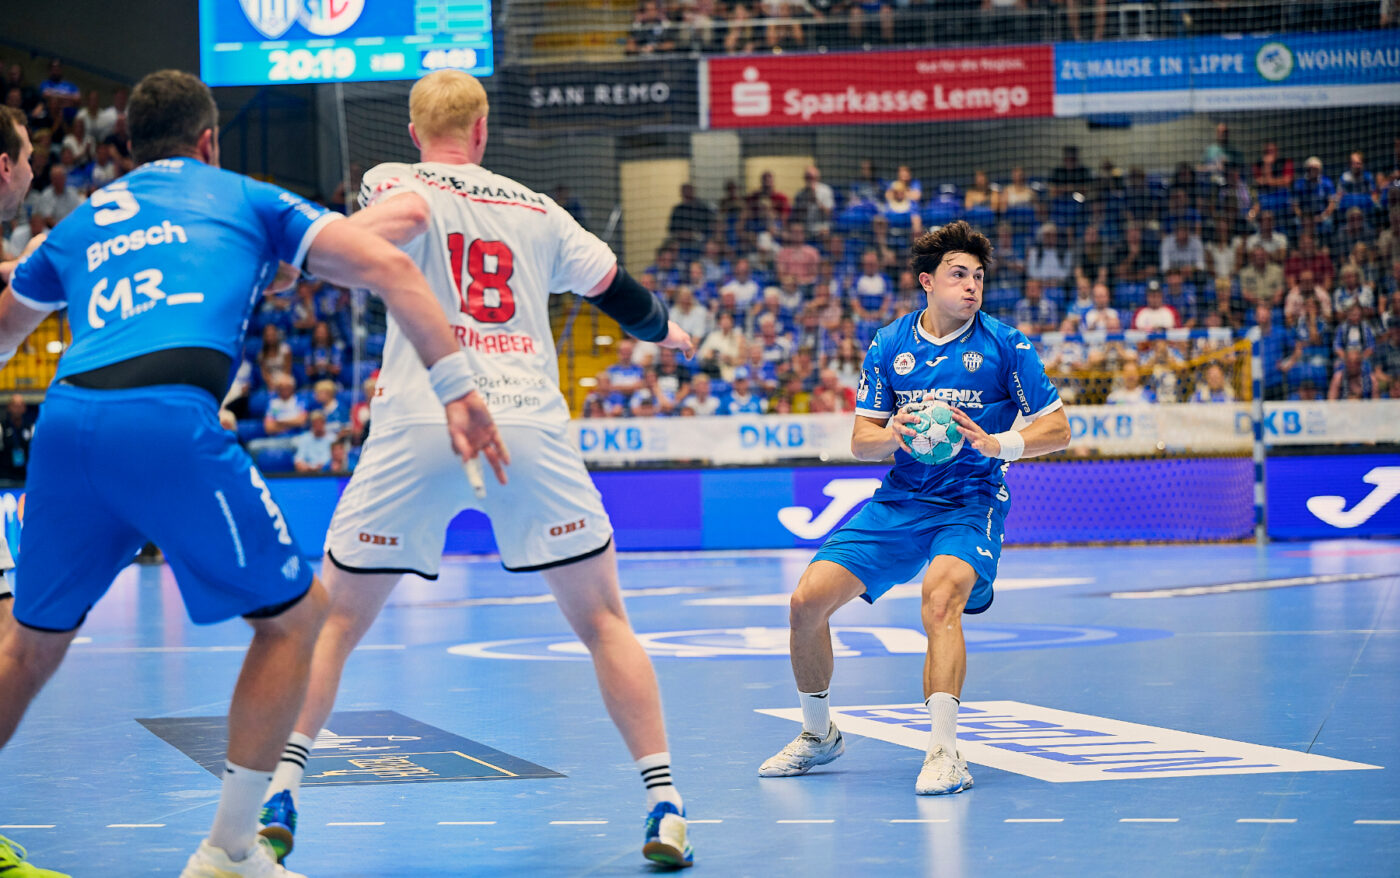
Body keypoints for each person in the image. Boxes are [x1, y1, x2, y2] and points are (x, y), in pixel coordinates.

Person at [0, 70, 506, 878]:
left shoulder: (85, 219)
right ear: (209, 141)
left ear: (129, 145)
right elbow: (393, 270)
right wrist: (458, 390)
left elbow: (3, 334)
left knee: (27, 650)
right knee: (297, 622)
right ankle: (232, 849)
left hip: (63, 426)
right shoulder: (244, 197)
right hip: (166, 421)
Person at [256, 70, 697, 870]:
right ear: (483, 130)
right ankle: (664, 804)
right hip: (525, 421)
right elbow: (620, 294)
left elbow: (384, 229)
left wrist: (301, 254)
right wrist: (666, 331)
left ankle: (280, 791)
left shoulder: (393, 179)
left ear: (415, 132)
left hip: (421, 413)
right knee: (605, 623)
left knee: (335, 625)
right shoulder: (540, 209)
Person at [757, 221, 1070, 795]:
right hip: (902, 500)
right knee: (805, 602)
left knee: (940, 599)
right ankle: (818, 735)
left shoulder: (1006, 344)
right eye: (958, 274)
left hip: (970, 499)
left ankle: (946, 753)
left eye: (978, 277)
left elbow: (1058, 428)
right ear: (927, 282)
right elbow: (862, 442)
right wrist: (894, 434)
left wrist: (998, 444)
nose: (971, 286)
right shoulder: (890, 343)